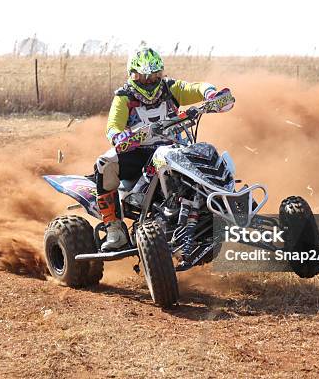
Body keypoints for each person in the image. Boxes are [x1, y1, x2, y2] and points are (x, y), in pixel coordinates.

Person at [94, 47, 228, 251]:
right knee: (104, 164)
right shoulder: (123, 97)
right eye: (143, 78)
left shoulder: (170, 87)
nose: (148, 82)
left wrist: (210, 93)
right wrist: (120, 136)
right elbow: (113, 126)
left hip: (173, 149)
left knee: (209, 154)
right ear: (132, 75)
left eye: (154, 77)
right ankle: (114, 230)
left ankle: (227, 206)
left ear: (161, 74)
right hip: (137, 152)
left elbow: (196, 88)